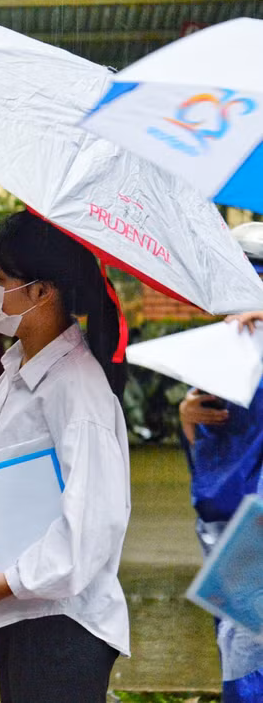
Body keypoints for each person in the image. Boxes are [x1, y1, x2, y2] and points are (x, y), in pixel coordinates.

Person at [0, 210, 130, 702]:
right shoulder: (22, 366)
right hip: (30, 608)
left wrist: (12, 580)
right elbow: (11, 466)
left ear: (42, 292)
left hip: (62, 622)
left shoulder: (77, 389)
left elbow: (93, 522)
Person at [176, 222, 263, 703]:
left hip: (250, 540)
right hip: (231, 539)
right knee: (239, 656)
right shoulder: (225, 352)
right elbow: (209, 481)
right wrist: (188, 422)